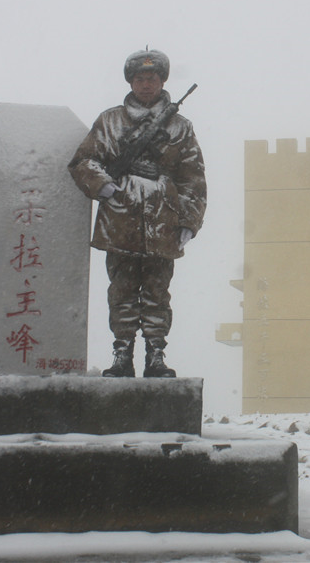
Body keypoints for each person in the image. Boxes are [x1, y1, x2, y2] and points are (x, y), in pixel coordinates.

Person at [68, 49, 206, 378]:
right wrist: (105, 186)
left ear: (162, 81)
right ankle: (122, 352)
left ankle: (156, 353)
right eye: (140, 79)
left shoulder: (180, 126)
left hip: (163, 218)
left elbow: (192, 178)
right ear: (131, 81)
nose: (146, 85)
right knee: (122, 288)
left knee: (158, 291)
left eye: (153, 79)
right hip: (120, 216)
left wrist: (188, 221)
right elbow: (84, 161)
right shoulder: (110, 120)